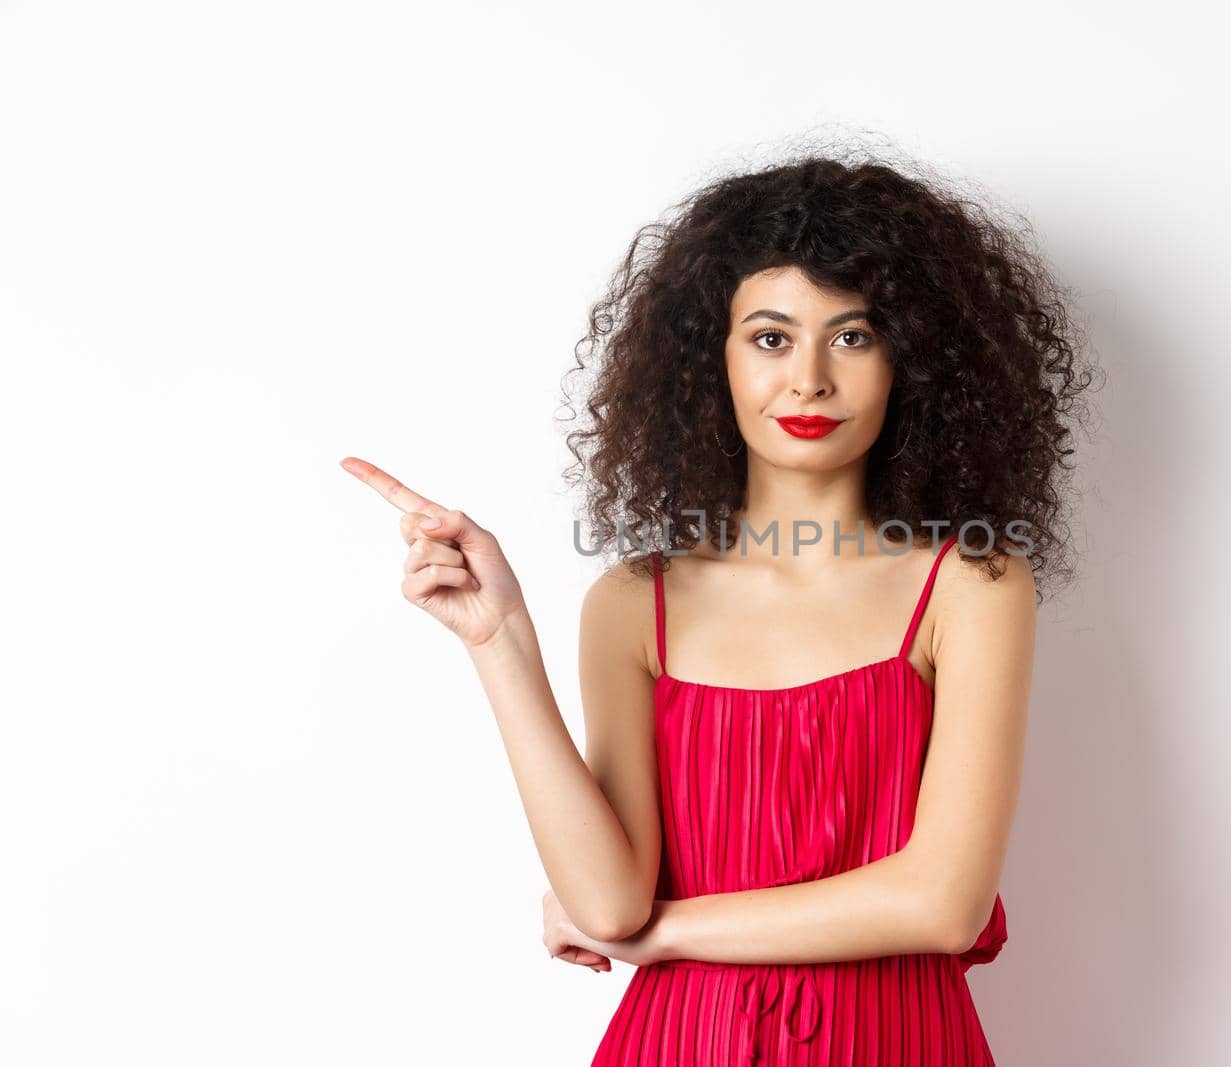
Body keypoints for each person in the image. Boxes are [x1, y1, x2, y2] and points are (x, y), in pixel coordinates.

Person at [341, 147, 1094, 1065]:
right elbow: (611, 902)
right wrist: (500, 641)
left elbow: (943, 904)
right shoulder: (633, 604)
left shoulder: (971, 585)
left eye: (853, 336)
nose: (810, 377)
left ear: (913, 361)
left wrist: (665, 934)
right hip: (682, 1044)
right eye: (771, 337)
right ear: (714, 360)